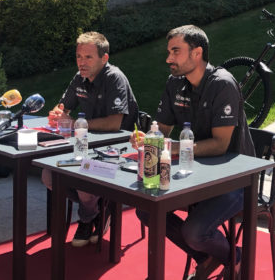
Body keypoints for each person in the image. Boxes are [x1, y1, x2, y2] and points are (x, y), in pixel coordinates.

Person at [132, 25, 254, 280]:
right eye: (169, 52)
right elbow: (162, 130)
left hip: (235, 181)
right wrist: (148, 139)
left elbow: (220, 145)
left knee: (194, 232)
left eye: (175, 51)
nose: (168, 59)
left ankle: (235, 256)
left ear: (197, 53)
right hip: (195, 176)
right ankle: (208, 257)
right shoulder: (175, 83)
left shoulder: (222, 84)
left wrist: (171, 147)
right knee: (147, 209)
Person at [42, 31, 138, 247]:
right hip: (85, 146)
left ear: (104, 59)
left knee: (83, 179)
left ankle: (87, 218)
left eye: (88, 57)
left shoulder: (114, 78)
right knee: (48, 176)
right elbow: (63, 107)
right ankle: (100, 208)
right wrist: (57, 114)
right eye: (78, 56)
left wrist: (75, 123)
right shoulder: (80, 77)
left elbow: (114, 123)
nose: (82, 62)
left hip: (117, 148)